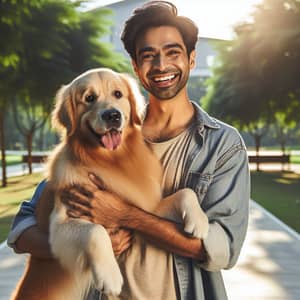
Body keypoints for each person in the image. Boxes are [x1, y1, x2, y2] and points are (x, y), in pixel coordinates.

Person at [8, 1, 250, 299]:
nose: (161, 65)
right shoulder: (97, 141)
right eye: (149, 55)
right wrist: (76, 249)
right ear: (136, 66)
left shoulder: (222, 145)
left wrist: (123, 214)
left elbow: (221, 250)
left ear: (191, 59)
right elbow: (24, 226)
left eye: (173, 52)